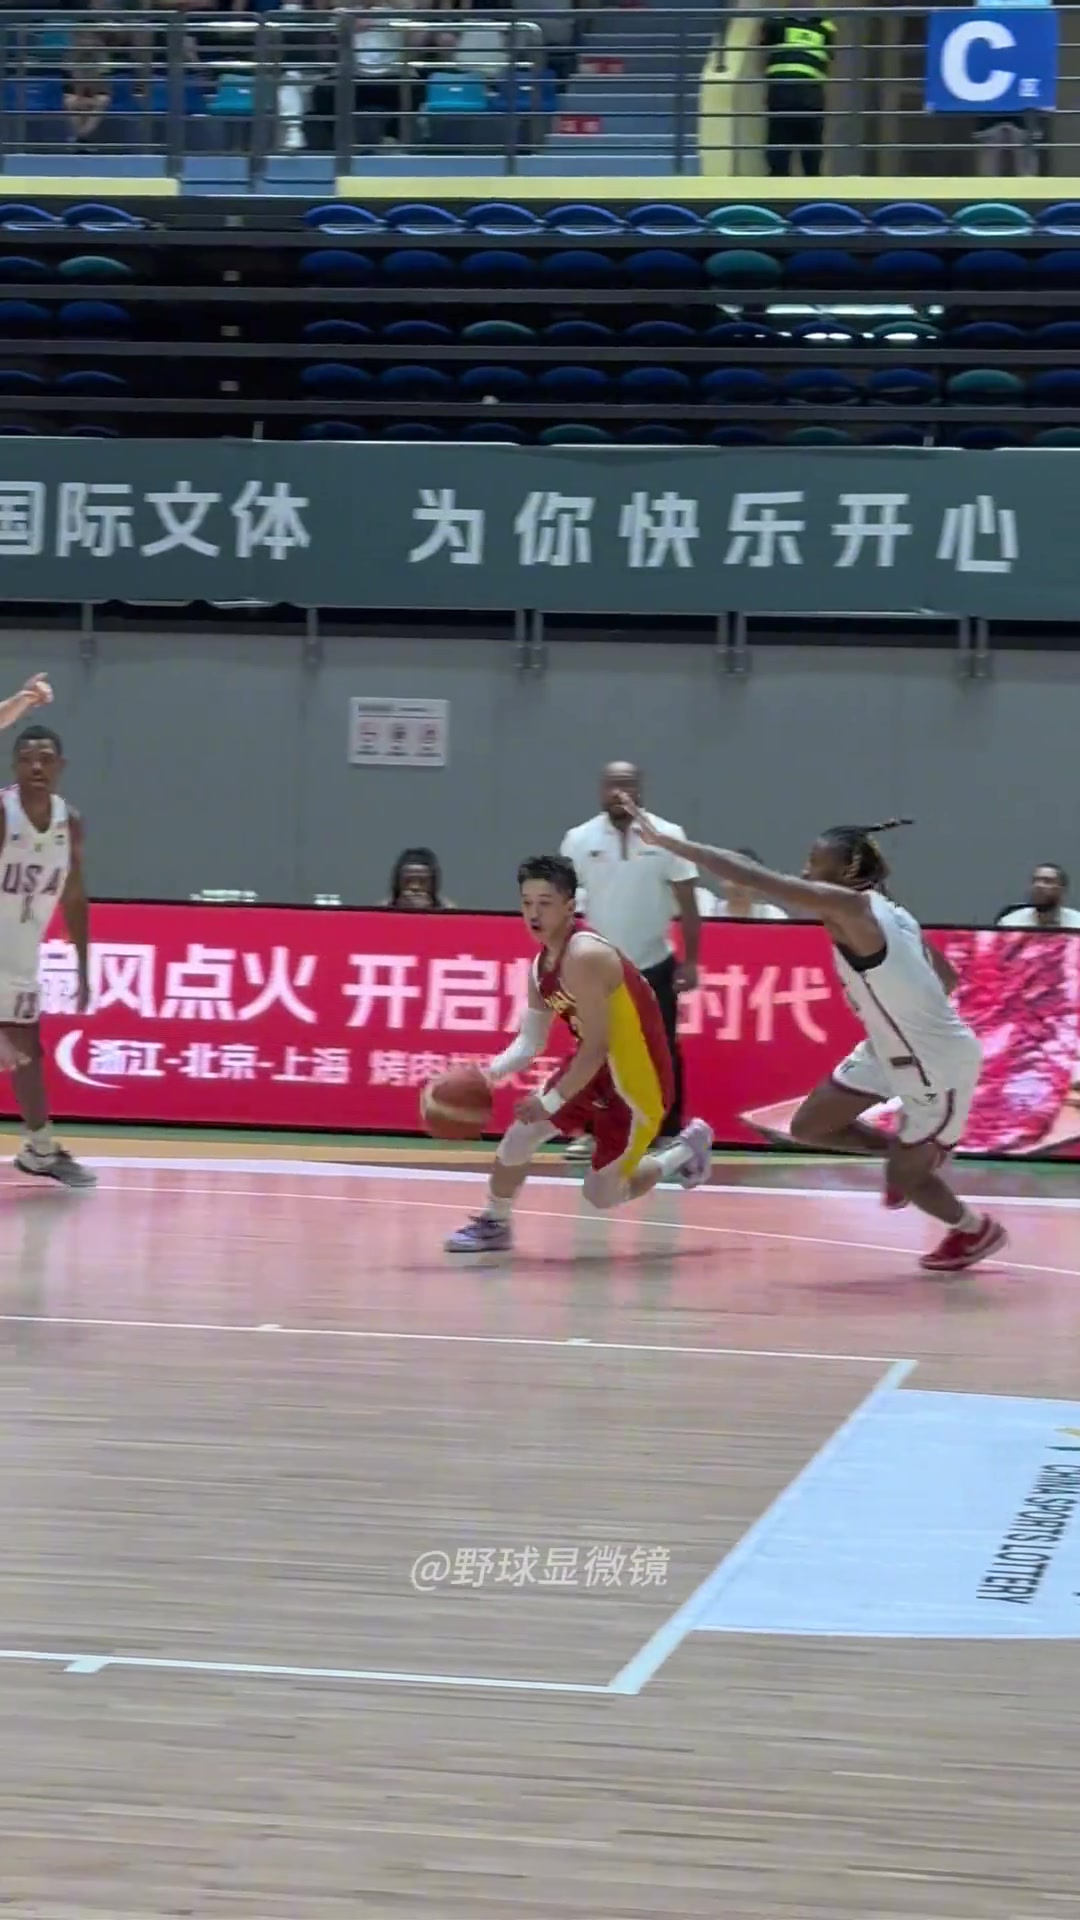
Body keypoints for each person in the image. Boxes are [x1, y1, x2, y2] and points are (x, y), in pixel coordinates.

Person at [616, 803, 1006, 1275]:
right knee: (810, 1126)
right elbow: (946, 978)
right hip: (889, 1047)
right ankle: (905, 1151)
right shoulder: (894, 912)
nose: (804, 871)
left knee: (908, 1179)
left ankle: (973, 1228)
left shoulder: (850, 907)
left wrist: (672, 844)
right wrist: (899, 1002)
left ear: (845, 872)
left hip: (935, 1061)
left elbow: (757, 877)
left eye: (814, 863)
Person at [443, 854, 713, 1253]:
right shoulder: (541, 968)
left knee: (602, 1193)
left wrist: (550, 1101)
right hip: (593, 1066)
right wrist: (487, 1074)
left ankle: (684, 1149)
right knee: (520, 1136)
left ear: (570, 906)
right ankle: (495, 1222)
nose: (534, 914)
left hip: (638, 1080)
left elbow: (599, 1045)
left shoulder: (586, 956)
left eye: (545, 903)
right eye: (527, 903)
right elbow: (530, 1043)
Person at [559, 761, 699, 1159]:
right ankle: (593, 1132)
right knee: (595, 1048)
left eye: (628, 784)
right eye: (612, 785)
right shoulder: (578, 839)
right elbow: (562, 903)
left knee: (662, 1049)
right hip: (599, 967)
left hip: (654, 963)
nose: (620, 792)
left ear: (641, 790)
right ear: (600, 789)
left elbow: (688, 904)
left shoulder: (668, 836)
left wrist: (691, 961)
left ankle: (667, 1133)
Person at [0, 695, 96, 1188]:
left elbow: (74, 895)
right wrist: (19, 702)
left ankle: (39, 1151)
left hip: (18, 957)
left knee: (26, 1054)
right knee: (19, 1050)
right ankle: (40, 1148)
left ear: (61, 766)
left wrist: (83, 964)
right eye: (26, 759)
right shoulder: (3, 812)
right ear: (14, 767)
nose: (36, 766)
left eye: (45, 759)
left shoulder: (68, 821)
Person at [761, 8, 835, 178]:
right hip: (809, 95)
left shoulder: (776, 22)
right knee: (810, 151)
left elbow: (764, 44)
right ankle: (809, 183)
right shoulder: (825, 26)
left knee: (780, 147)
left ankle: (780, 181)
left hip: (784, 93)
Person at [699, 849, 789, 920]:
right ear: (723, 879)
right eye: (734, 879)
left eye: (745, 881)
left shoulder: (771, 915)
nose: (739, 886)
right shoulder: (708, 912)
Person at [996, 865, 1080, 931]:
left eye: (1047, 881)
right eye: (1035, 881)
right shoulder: (1010, 923)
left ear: (1062, 889)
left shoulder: (1077, 923)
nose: (1039, 886)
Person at [385, 847, 450, 911]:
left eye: (422, 881)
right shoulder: (383, 909)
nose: (415, 887)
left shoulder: (448, 911)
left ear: (432, 884)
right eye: (408, 881)